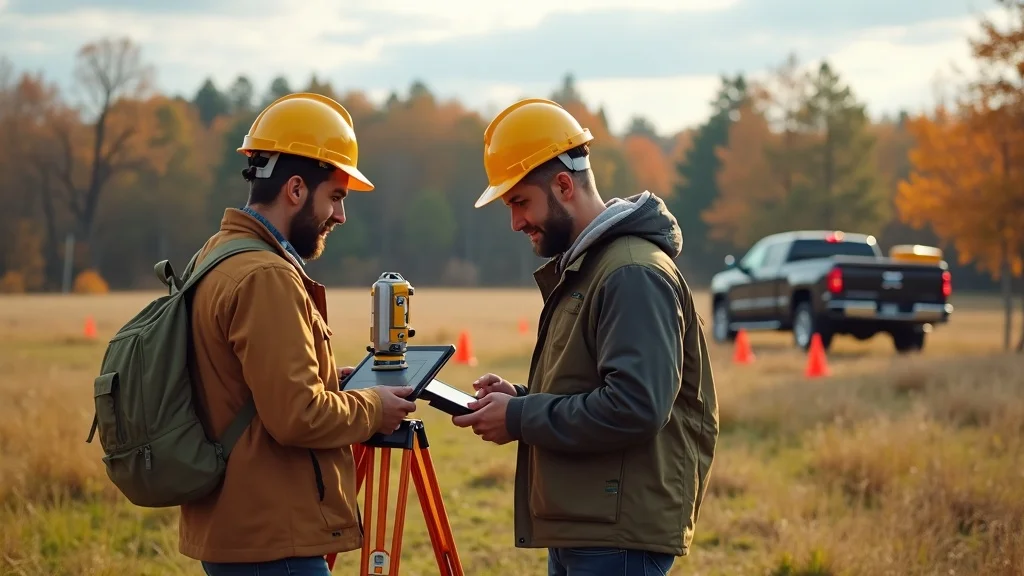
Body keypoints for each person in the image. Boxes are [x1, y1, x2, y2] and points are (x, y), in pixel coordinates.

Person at [452, 98, 720, 576]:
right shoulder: (593, 266)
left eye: (520, 202)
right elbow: (596, 388)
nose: (515, 222)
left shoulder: (631, 272)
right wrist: (522, 398)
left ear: (563, 185)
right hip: (591, 525)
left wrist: (520, 416)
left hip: (616, 538)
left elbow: (635, 406)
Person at [178, 92, 417, 576]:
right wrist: (375, 407)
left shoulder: (217, 255)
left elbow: (252, 387)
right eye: (336, 196)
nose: (341, 216)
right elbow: (297, 416)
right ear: (294, 190)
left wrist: (331, 380)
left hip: (239, 530)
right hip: (272, 541)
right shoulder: (266, 276)